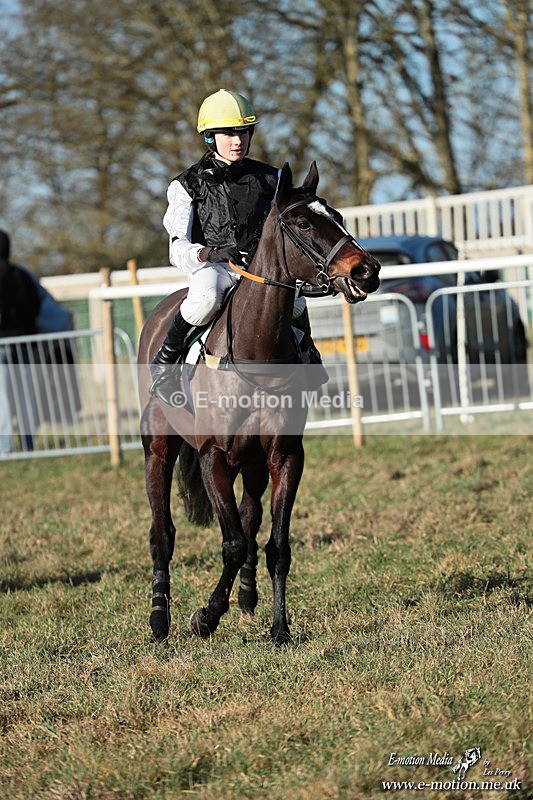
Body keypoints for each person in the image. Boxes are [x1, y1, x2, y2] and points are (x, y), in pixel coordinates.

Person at [149, 88, 327, 404]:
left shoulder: (271, 178)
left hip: (258, 268)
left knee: (296, 302)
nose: (238, 140)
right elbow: (177, 248)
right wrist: (209, 253)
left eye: (243, 132)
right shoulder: (186, 185)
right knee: (204, 300)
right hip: (213, 267)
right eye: (229, 133)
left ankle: (308, 353)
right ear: (210, 137)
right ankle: (165, 366)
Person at [0, 229, 41, 452]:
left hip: (2, 344)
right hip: (24, 341)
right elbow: (36, 306)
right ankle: (29, 443)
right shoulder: (22, 275)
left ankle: (5, 448)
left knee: (3, 399)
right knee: (25, 395)